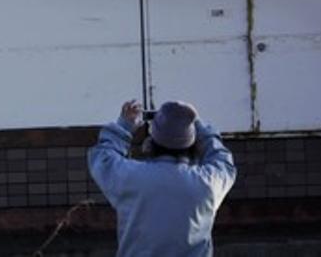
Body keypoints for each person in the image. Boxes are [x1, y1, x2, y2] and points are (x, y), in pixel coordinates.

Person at [88, 99, 236, 256]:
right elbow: (222, 160)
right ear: (192, 143)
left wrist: (124, 126)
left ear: (152, 141)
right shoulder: (207, 183)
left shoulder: (132, 177)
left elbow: (103, 158)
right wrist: (197, 124)